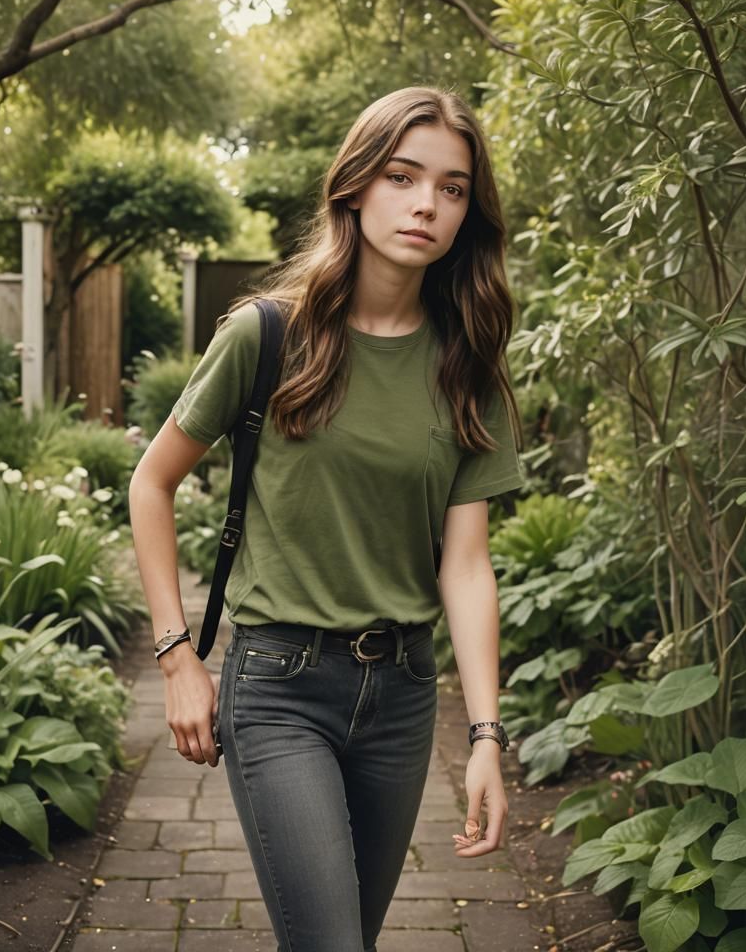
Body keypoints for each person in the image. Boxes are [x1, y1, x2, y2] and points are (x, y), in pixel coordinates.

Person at [127, 85, 525, 952]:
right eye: (402, 176)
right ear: (355, 185)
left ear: (469, 213)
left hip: (403, 697)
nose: (426, 203)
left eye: (453, 188)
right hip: (279, 686)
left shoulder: (467, 363)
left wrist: (487, 736)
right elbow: (151, 483)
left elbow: (465, 565)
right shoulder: (268, 335)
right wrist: (176, 656)